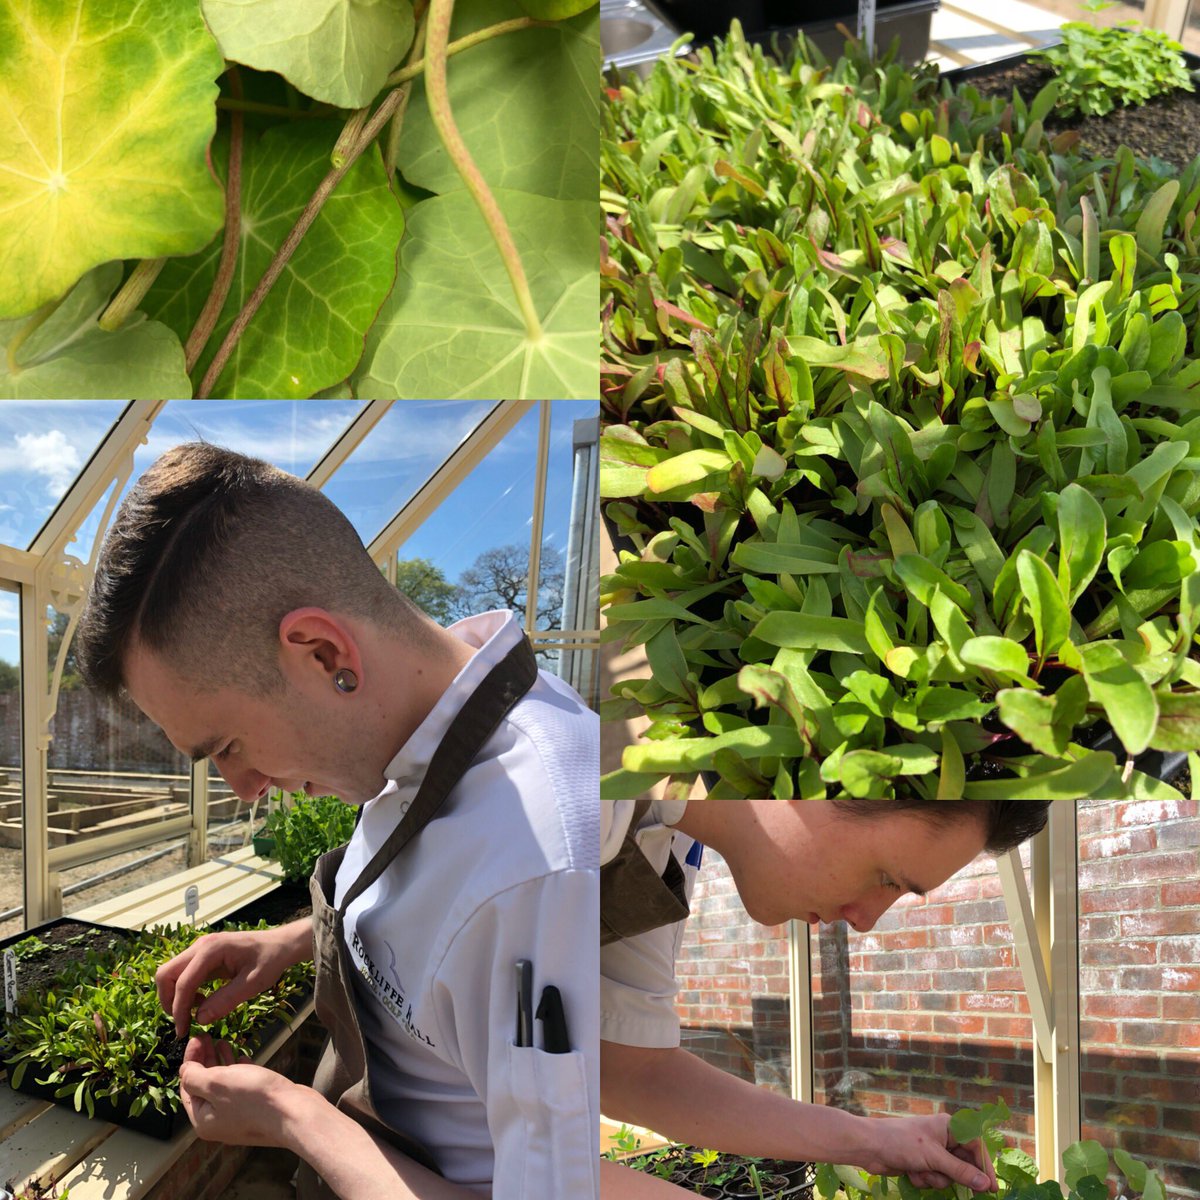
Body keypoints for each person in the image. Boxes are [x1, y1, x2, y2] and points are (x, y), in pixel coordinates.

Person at [73, 442, 599, 1200]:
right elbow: (432, 926)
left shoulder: (539, 858)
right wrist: (291, 941)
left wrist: (293, 1116)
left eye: (228, 746)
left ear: (323, 654)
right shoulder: (410, 736)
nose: (245, 789)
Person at [600, 798, 1053, 1198]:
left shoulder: (671, 850)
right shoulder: (578, 783)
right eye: (886, 878)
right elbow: (528, 1142)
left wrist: (871, 1141)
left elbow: (628, 1068)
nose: (867, 920)